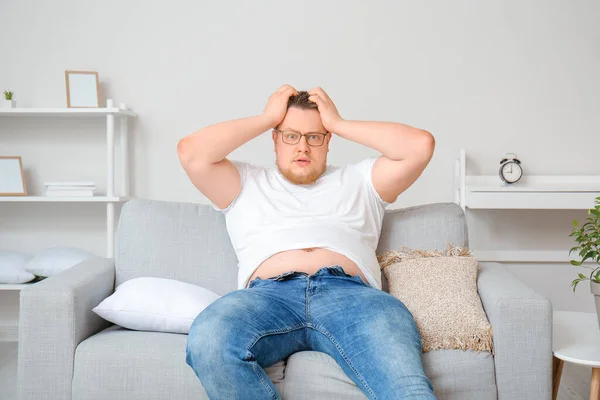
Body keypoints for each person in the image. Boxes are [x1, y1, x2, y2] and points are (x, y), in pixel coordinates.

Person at [177, 84, 436, 400]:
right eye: (290, 135)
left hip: (354, 298)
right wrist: (266, 118)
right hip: (267, 297)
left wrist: (338, 123)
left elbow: (420, 146)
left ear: (328, 141)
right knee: (208, 339)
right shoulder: (244, 183)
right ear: (274, 139)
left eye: (314, 136)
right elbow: (191, 152)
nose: (303, 147)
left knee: (408, 391)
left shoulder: (362, 180)